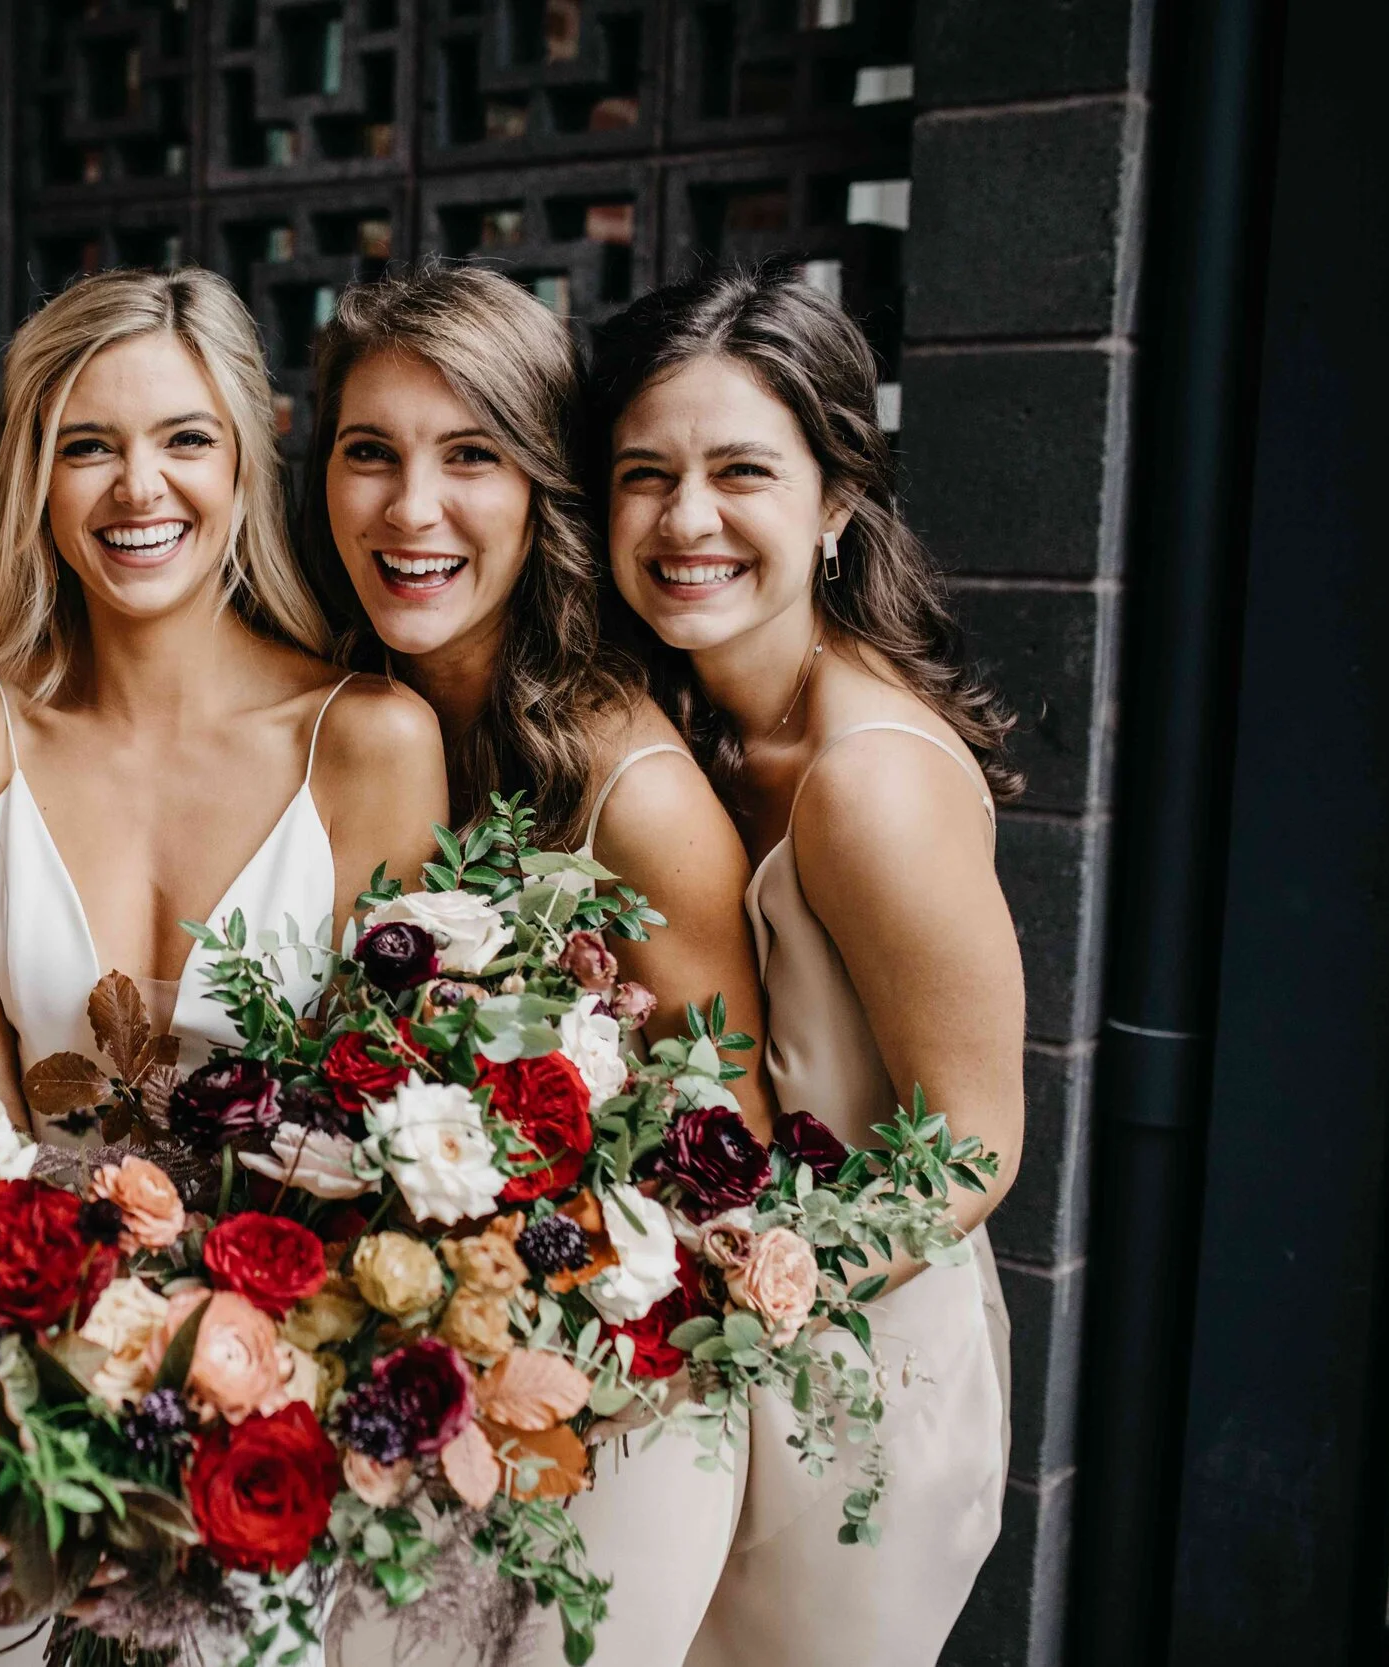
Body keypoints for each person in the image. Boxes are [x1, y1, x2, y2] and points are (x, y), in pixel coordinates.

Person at [0, 266, 447, 1661]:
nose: (139, 487)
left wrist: (238, 1362)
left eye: (184, 439)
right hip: (16, 1382)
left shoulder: (371, 740)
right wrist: (40, 1364)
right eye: (88, 443)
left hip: (276, 1404)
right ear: (34, 474)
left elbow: (397, 1102)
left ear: (249, 456)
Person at [300, 265, 772, 1667]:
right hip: (394, 1378)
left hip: (626, 1405)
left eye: (472, 457)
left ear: (544, 490)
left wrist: (531, 1310)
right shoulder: (324, 707)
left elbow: (726, 1154)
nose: (409, 510)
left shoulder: (632, 794)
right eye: (367, 452)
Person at [586, 267, 1021, 1667]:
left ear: (836, 500)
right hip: (717, 1368)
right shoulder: (681, 720)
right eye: (644, 474)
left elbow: (973, 1145)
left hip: (859, 1390)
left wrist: (759, 1283)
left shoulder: (866, 782)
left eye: (740, 473)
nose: (685, 519)